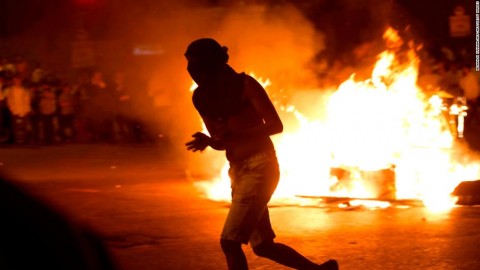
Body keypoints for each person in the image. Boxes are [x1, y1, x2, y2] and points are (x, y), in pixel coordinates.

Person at [184, 38, 339, 270]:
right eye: (190, 65)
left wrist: (236, 135)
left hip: (261, 167)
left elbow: (276, 125)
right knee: (263, 246)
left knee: (229, 242)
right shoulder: (201, 97)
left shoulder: (246, 85)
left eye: (198, 64)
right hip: (237, 171)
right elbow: (222, 142)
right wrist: (209, 141)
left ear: (214, 63)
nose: (193, 71)